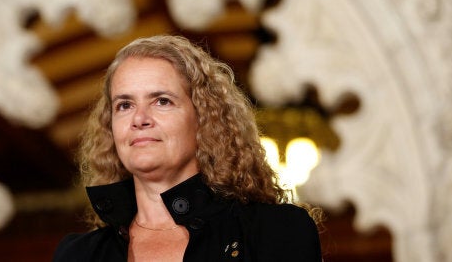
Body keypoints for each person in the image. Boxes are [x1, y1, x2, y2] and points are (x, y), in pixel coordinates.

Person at [53, 35, 322, 261]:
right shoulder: (78, 255)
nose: (139, 119)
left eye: (162, 101)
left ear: (203, 118)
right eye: (124, 105)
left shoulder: (277, 231)